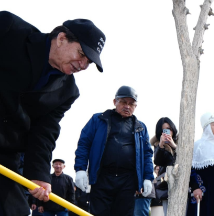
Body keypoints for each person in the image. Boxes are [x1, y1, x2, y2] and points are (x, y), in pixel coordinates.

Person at [0, 11, 106, 216]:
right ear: (61, 39)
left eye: (89, 62)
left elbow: (44, 132)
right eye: (82, 54)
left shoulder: (68, 92)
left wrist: (39, 174)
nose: (83, 66)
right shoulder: (9, 29)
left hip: (7, 155)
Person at [74, 85, 154, 216]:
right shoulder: (98, 120)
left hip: (127, 182)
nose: (127, 106)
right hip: (102, 178)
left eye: (131, 104)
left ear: (135, 107)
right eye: (123, 102)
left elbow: (147, 154)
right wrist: (80, 169)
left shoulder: (141, 128)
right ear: (115, 102)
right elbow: (84, 144)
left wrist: (148, 178)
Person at [152, 117, 178, 216]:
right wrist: (161, 145)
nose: (168, 132)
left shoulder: (181, 141)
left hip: (182, 183)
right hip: (166, 186)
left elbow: (186, 159)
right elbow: (158, 161)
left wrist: (174, 145)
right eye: (164, 130)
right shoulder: (158, 145)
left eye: (169, 129)